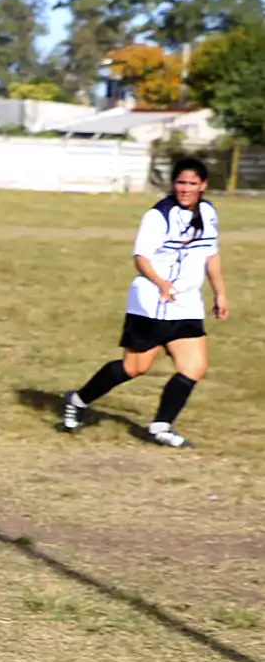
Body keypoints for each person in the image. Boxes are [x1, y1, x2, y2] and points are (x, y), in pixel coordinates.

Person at [62, 157, 229, 448]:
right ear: (173, 183)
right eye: (180, 182)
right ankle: (77, 400)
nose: (185, 188)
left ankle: (161, 427)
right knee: (135, 367)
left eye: (192, 183)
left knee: (194, 367)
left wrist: (220, 293)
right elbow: (141, 258)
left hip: (187, 303)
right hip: (152, 302)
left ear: (203, 185)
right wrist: (162, 283)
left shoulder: (208, 211)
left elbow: (210, 254)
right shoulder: (157, 215)